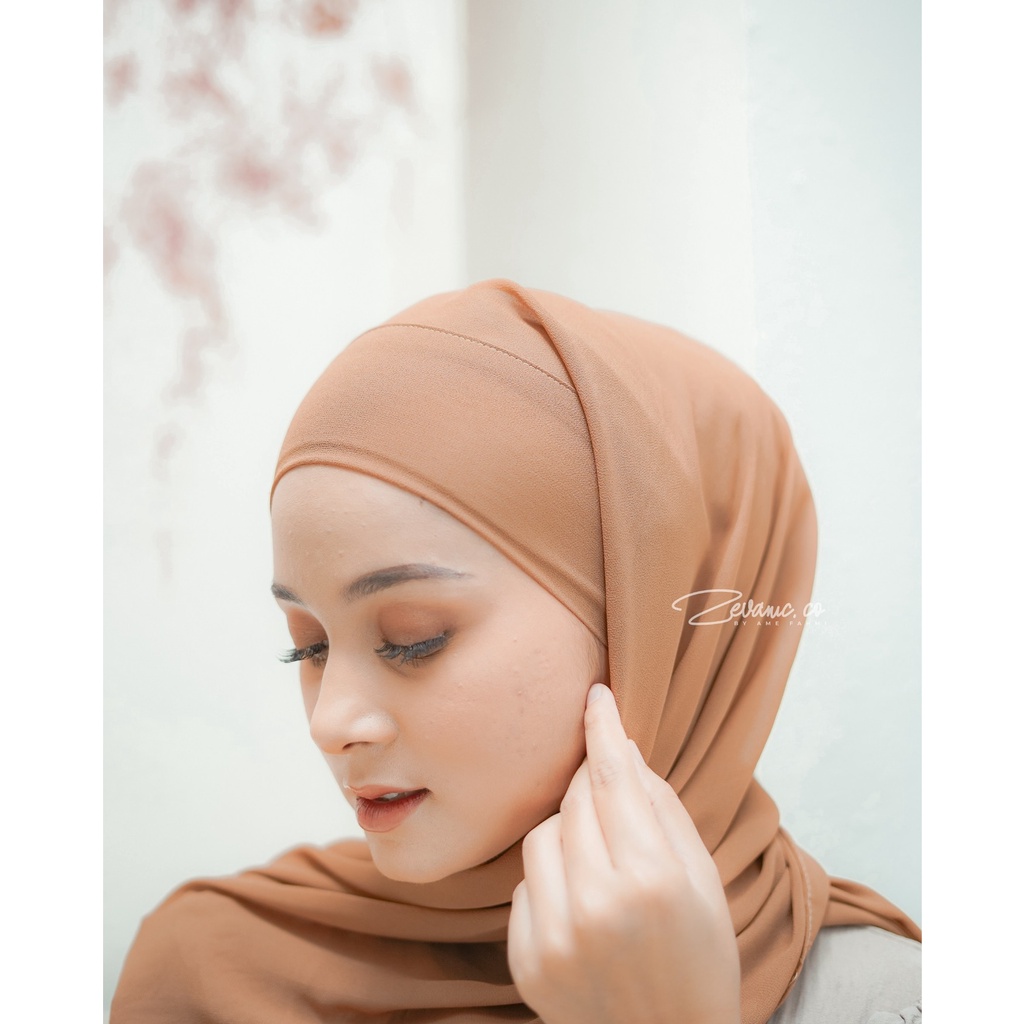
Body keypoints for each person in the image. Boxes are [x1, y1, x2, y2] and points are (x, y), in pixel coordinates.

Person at [111, 280, 922, 1024]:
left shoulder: (888, 1000)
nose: (331, 724)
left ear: (651, 636)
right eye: (310, 648)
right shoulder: (209, 976)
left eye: (413, 640)